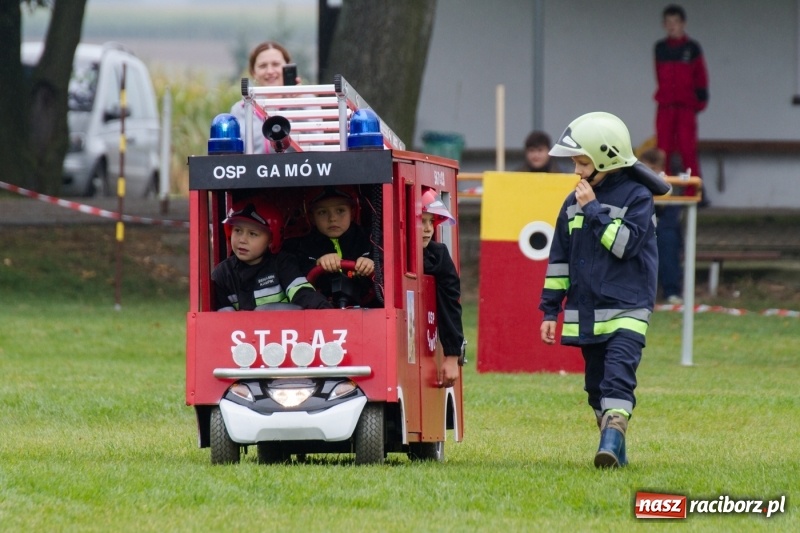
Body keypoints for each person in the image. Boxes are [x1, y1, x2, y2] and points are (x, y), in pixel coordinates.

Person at [540, 112, 671, 468]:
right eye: (575, 162)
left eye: (583, 162)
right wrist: (550, 310)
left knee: (617, 378)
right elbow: (559, 260)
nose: (577, 171)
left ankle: (611, 441)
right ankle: (614, 452)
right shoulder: (571, 205)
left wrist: (594, 210)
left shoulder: (637, 198)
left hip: (628, 308)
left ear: (607, 158)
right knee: (595, 389)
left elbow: (624, 245)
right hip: (587, 312)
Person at [211, 197, 332, 311]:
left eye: (252, 234)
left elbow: (303, 294)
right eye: (237, 231)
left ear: (271, 239)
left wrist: (328, 314)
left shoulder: (283, 264)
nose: (242, 240)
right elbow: (223, 324)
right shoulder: (222, 274)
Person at [282, 186, 376, 307]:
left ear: (352, 212)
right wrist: (316, 265)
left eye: (340, 211)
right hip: (318, 316)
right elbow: (294, 283)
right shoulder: (298, 247)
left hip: (370, 316)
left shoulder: (373, 240)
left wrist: (374, 267)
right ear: (311, 217)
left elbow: (392, 280)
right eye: (322, 212)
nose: (332, 218)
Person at [654, 4, 709, 200]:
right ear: (663, 25)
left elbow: (701, 78)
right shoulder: (660, 49)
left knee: (687, 149)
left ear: (683, 24)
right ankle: (663, 190)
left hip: (685, 108)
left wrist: (698, 104)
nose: (672, 26)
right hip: (665, 108)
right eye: (668, 23)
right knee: (663, 150)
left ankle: (692, 191)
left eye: (676, 22)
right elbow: (659, 76)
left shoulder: (692, 48)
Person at [421, 189, 465, 388]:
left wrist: (452, 355)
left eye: (431, 222)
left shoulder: (438, 256)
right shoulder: (380, 252)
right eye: (422, 220)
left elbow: (450, 302)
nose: (428, 229)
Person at [229, 41, 301, 154]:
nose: (270, 71)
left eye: (276, 64)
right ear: (253, 72)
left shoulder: (305, 103)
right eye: (263, 66)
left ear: (287, 68)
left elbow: (318, 149)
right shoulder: (240, 110)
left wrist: (297, 102)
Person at [640, 147, 684, 304]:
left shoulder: (672, 184)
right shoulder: (636, 184)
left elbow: (672, 216)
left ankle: (671, 291)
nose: (650, 172)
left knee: (668, 239)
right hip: (642, 227)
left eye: (653, 168)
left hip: (664, 227)